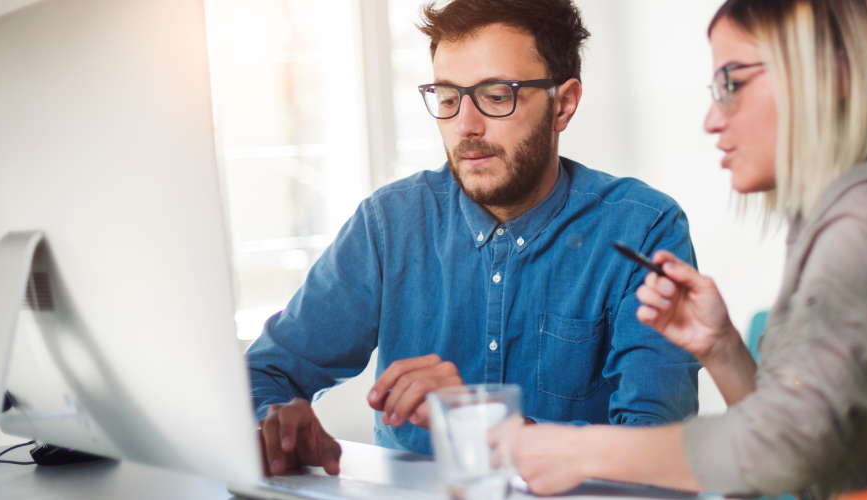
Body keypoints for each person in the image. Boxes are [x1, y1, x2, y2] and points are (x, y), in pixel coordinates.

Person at [510, 0, 867, 498]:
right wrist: (723, 349)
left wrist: (581, 451)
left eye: (732, 83)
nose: (712, 119)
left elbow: (785, 447)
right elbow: (811, 454)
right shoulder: (855, 209)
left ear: (834, 75)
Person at [246, 0, 700, 477]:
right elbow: (264, 373)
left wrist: (485, 423)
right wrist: (276, 425)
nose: (466, 125)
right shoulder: (389, 224)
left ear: (562, 104)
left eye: (497, 95)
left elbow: (660, 449)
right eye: (447, 98)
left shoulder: (642, 229)